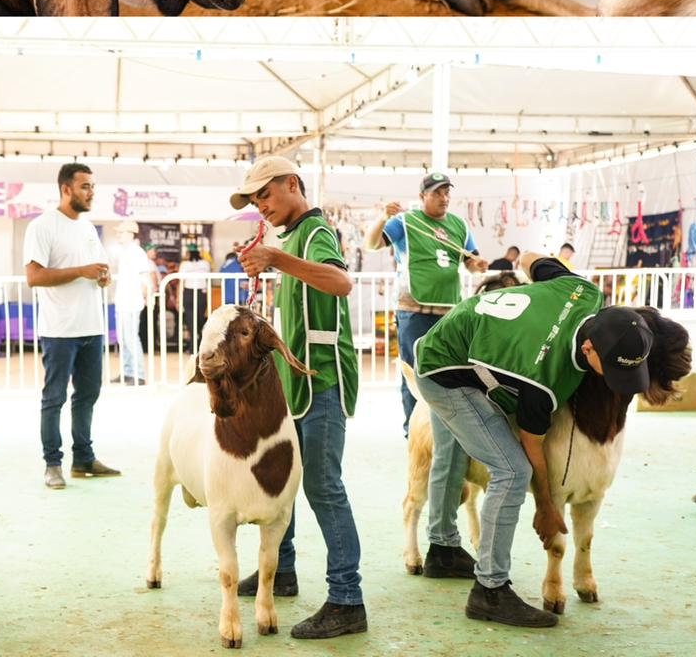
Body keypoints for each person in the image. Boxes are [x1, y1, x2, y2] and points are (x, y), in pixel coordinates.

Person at [413, 249, 654, 629]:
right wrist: (545, 506)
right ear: (588, 348)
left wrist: (533, 304)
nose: (616, 385)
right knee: (510, 471)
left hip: (464, 337)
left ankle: (442, 552)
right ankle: (489, 592)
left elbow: (528, 257)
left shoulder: (583, 289)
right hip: (445, 373)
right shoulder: (541, 378)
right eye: (610, 371)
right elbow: (532, 445)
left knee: (460, 456)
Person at [232, 155, 367, 641]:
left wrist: (277, 259)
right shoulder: (295, 237)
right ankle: (281, 571)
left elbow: (341, 282)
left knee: (323, 486)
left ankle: (348, 600)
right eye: (254, 200)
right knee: (286, 479)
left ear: (293, 183)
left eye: (265, 194)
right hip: (299, 380)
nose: (260, 206)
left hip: (323, 378)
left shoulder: (315, 232)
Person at [363, 174, 487, 436]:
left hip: (450, 311)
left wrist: (478, 266)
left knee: (451, 371)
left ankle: (448, 429)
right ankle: (414, 430)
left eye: (446, 193)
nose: (443, 198)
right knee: (413, 372)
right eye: (436, 193)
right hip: (414, 310)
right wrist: (383, 217)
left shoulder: (459, 225)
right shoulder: (405, 223)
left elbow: (471, 262)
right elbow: (371, 244)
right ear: (422, 197)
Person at [24, 163, 120, 489]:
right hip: (59, 331)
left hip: (91, 327)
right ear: (66, 189)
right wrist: (81, 271)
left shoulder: (89, 228)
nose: (91, 192)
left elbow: (95, 273)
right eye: (85, 187)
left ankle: (83, 459)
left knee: (88, 395)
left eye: (93, 186)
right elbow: (34, 277)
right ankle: (53, 464)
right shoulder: (42, 226)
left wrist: (102, 277)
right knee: (54, 399)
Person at [110, 219, 155, 385]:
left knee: (130, 338)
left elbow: (145, 277)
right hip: (123, 301)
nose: (118, 235)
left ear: (130, 234)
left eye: (121, 232)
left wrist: (147, 296)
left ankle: (139, 375)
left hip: (131, 301)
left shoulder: (137, 252)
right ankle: (128, 371)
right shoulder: (126, 252)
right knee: (123, 339)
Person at [178, 244, 211, 352]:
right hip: (201, 293)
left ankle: (194, 347)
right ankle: (199, 346)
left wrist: (179, 298)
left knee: (191, 320)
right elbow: (207, 280)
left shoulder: (184, 264)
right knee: (200, 319)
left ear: (188, 253)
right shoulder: (205, 264)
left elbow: (181, 282)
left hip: (189, 292)